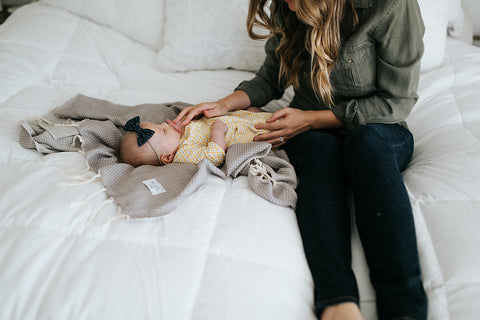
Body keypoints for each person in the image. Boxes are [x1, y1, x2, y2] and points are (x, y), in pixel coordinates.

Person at [174, 0, 428, 319]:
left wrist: (312, 119)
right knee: (318, 153)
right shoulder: (288, 5)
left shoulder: (391, 6)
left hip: (378, 127)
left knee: (366, 144)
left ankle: (405, 309)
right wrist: (223, 104)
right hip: (309, 129)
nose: (290, 5)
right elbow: (270, 78)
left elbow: (397, 102)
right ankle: (338, 302)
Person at [119, 109, 271, 167]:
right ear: (167, 157)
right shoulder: (183, 154)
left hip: (237, 119)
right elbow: (214, 155)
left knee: (257, 113)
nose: (167, 123)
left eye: (161, 124)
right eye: (165, 131)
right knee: (270, 128)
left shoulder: (179, 138)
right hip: (240, 134)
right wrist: (217, 132)